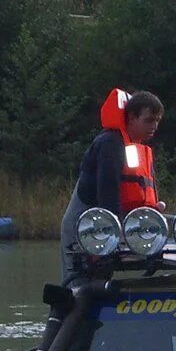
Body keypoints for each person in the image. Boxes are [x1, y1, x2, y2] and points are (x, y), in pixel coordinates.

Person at [60, 88, 163, 283]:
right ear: (131, 117)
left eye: (157, 121)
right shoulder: (111, 143)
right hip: (82, 225)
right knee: (78, 283)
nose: (154, 126)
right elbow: (108, 192)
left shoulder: (132, 146)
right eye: (149, 120)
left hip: (104, 222)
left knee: (101, 279)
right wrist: (116, 234)